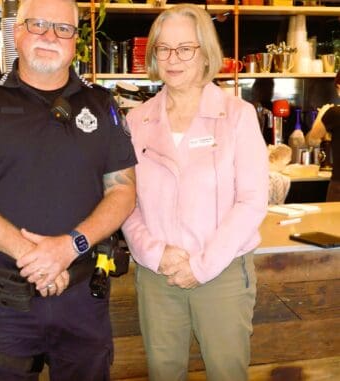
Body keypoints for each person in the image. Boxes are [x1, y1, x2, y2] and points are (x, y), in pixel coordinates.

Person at [0, 0, 137, 378]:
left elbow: (123, 191)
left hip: (82, 300)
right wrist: (35, 255)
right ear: (16, 31)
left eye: (63, 29)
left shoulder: (102, 104)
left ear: (76, 40)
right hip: (4, 303)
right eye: (38, 24)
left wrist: (67, 247)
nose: (49, 36)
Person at [121, 4, 269, 381]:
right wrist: (156, 254)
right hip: (158, 276)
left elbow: (252, 201)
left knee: (227, 373)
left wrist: (200, 266)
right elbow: (124, 200)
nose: (173, 59)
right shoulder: (137, 121)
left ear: (205, 53)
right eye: (163, 48)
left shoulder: (237, 115)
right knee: (163, 373)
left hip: (221, 275)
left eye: (185, 48)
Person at [306, 69, 340, 201]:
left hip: (339, 186)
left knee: (332, 221)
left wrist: (322, 114)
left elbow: (312, 140)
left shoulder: (334, 113)